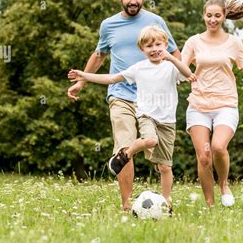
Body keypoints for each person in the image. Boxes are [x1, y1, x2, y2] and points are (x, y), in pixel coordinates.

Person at [67, 0, 181, 211]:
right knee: (125, 147)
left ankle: (164, 201)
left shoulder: (155, 22)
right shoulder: (108, 25)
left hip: (153, 99)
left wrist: (177, 77)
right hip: (121, 95)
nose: (133, 1)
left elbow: (174, 53)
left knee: (160, 155)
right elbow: (99, 56)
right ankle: (127, 204)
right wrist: (81, 82)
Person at [69, 25, 196, 207]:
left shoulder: (171, 67)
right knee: (150, 141)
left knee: (165, 167)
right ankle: (125, 154)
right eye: (149, 46)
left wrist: (171, 58)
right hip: (147, 115)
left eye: (158, 45)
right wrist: (85, 76)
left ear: (166, 45)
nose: (154, 49)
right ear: (141, 49)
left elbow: (188, 74)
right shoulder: (139, 68)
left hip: (167, 121)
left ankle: (167, 202)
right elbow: (112, 79)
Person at [181, 0, 243, 207]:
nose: (212, 20)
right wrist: (181, 73)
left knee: (218, 146)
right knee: (204, 157)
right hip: (198, 104)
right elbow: (182, 67)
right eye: (209, 15)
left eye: (217, 16)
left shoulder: (233, 42)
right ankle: (210, 206)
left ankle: (223, 185)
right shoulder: (193, 42)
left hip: (226, 103)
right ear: (203, 15)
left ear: (224, 17)